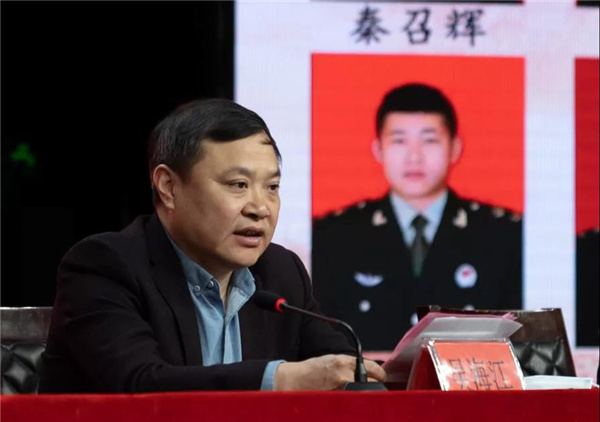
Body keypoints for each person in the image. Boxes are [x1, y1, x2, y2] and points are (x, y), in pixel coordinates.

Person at [39, 98, 385, 393]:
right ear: (168, 187)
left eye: (272, 187)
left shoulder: (280, 272)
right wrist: (282, 379)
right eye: (238, 184)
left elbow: (342, 369)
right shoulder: (104, 266)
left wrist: (393, 371)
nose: (260, 208)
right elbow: (140, 384)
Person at [312, 83, 523, 350]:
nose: (414, 157)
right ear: (378, 149)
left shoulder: (504, 236)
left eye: (429, 140)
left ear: (455, 148)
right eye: (399, 140)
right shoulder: (334, 237)